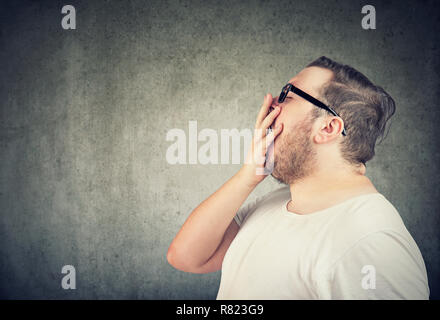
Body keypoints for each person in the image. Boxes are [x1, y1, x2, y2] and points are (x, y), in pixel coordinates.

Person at [167, 56, 430, 299]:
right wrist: (247, 177)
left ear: (328, 127)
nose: (271, 105)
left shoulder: (372, 241)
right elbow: (187, 258)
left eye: (287, 95)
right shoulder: (279, 202)